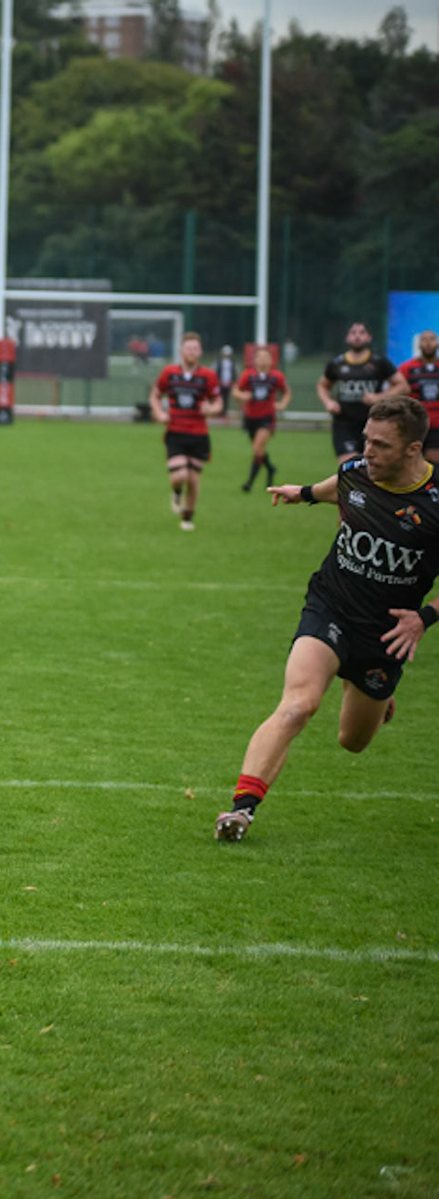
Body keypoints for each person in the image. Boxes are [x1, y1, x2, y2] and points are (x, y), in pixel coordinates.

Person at [215, 396, 439, 842]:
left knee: (352, 741)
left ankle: (372, 694)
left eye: (381, 445)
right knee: (299, 704)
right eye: (365, 441)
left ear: (413, 450)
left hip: (385, 633)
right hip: (330, 605)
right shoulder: (358, 471)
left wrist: (423, 618)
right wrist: (301, 494)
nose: (367, 452)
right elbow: (338, 485)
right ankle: (241, 809)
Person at [149, 331, 223, 532]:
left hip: (199, 434)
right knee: (179, 476)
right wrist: (159, 413)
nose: (192, 352)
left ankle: (187, 516)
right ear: (181, 350)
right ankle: (176, 492)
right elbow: (155, 395)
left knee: (194, 478)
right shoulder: (169, 373)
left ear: (200, 352)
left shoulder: (208, 375)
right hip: (175, 432)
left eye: (196, 348)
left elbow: (218, 402)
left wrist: (211, 409)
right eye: (188, 348)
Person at [316, 321, 397, 463]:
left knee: (374, 466)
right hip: (344, 422)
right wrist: (328, 402)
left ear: (369, 337)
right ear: (347, 338)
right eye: (353, 333)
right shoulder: (337, 363)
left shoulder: (379, 361)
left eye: (362, 333)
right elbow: (322, 385)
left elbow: (402, 386)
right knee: (349, 466)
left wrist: (380, 397)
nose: (357, 336)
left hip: (373, 421)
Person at [233, 345, 290, 492]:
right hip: (250, 418)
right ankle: (271, 469)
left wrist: (282, 404)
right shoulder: (248, 375)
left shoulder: (276, 376)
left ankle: (249, 483)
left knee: (258, 448)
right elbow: (236, 390)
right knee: (258, 450)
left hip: (267, 417)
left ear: (271, 360)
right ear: (255, 360)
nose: (263, 360)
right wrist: (242, 396)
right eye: (260, 357)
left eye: (266, 357)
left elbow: (286, 392)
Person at [386, 329, 439, 464]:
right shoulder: (407, 368)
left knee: (434, 461)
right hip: (416, 422)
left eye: (431, 339)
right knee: (412, 461)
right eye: (424, 340)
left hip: (437, 425)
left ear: (437, 343)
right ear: (419, 344)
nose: (428, 343)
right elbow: (398, 390)